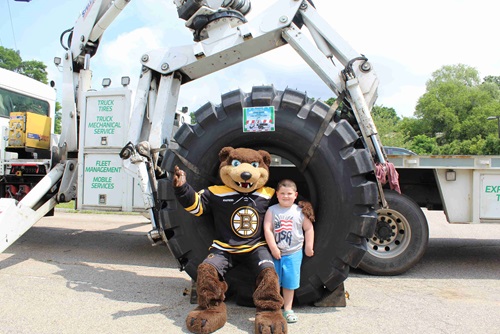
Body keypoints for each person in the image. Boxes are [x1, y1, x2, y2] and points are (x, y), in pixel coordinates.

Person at [263, 179, 314, 324]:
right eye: (282, 193)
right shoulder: (272, 210)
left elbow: (308, 228)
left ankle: (288, 309)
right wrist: (273, 248)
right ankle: (274, 309)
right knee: (274, 282)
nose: (286, 196)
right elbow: (267, 229)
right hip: (276, 253)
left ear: (295, 195)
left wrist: (309, 246)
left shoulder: (299, 212)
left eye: (289, 193)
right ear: (277, 194)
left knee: (289, 283)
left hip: (293, 253)